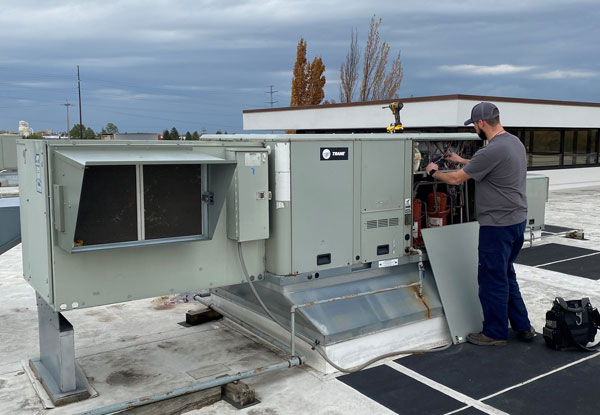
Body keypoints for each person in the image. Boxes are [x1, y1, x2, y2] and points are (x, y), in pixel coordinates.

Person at [425, 102, 535, 346]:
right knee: (506, 274)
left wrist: (433, 171)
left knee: (491, 280)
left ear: (482, 123)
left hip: (497, 226)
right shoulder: (513, 142)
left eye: (474, 124)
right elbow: (489, 165)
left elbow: (454, 180)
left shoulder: (490, 151)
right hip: (517, 221)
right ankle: (523, 326)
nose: (475, 128)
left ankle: (495, 333)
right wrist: (461, 159)